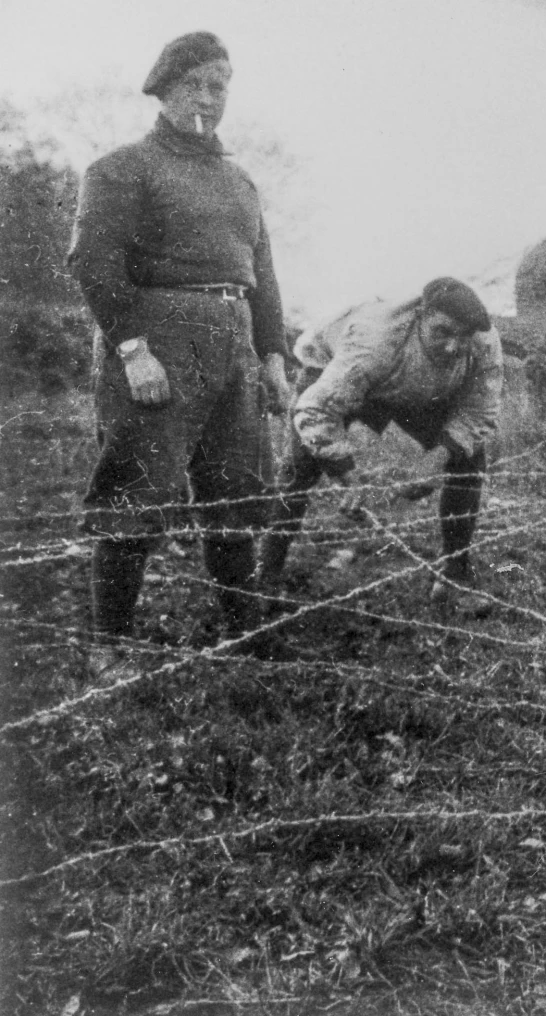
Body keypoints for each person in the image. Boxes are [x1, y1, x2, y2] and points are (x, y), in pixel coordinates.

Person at [68, 31, 293, 677]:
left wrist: (273, 358)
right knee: (136, 491)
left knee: (236, 492)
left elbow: (265, 276)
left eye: (219, 85)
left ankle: (239, 630)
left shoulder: (241, 181)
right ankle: (108, 642)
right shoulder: (120, 169)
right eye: (194, 83)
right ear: (164, 90)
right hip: (157, 340)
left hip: (235, 345)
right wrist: (134, 351)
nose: (208, 97)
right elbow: (95, 265)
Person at [261, 278, 500, 608]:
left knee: (468, 462)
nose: (452, 346)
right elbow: (316, 410)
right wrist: (346, 475)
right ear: (420, 314)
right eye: (442, 331)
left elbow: (479, 411)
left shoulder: (484, 342)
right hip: (332, 370)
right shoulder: (374, 339)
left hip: (418, 390)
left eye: (462, 336)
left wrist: (435, 460)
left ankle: (454, 578)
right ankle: (264, 577)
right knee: (299, 470)